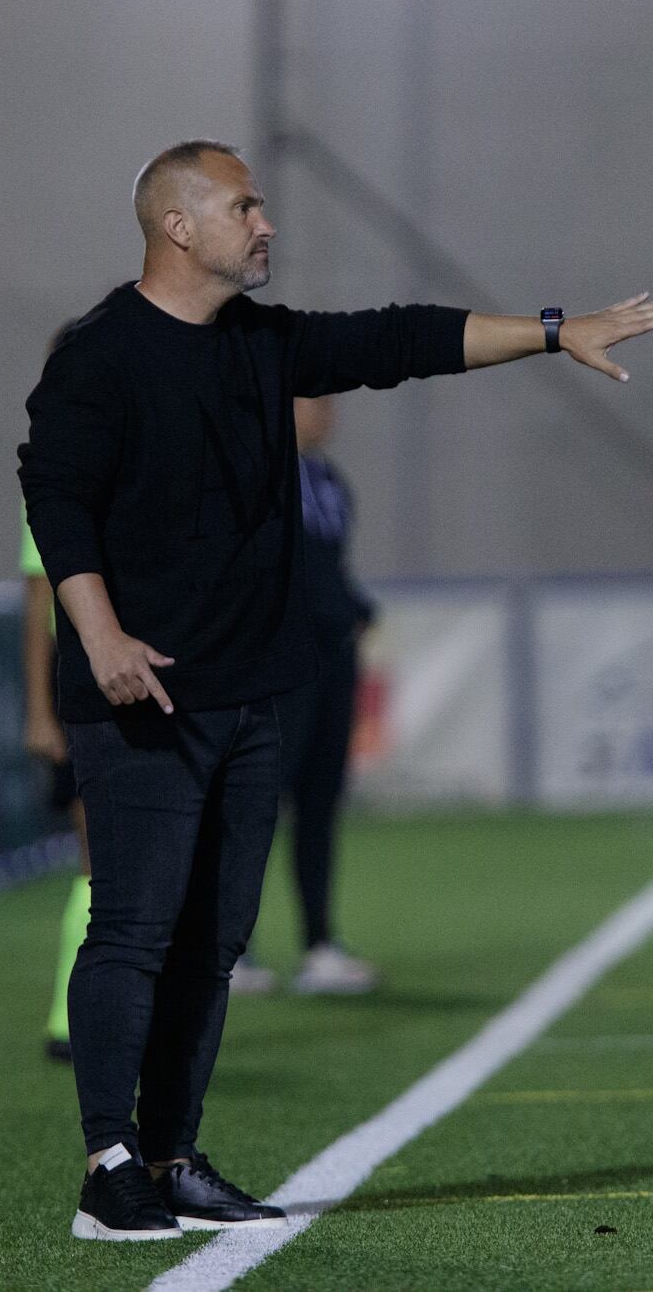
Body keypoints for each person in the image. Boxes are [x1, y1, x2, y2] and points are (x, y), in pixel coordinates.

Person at [18, 138, 653, 1241]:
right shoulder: (100, 354)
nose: (265, 224)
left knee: (216, 941)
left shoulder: (261, 345)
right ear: (177, 225)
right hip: (139, 696)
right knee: (132, 929)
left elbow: (402, 340)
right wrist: (101, 636)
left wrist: (555, 331)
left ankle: (171, 1155)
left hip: (249, 695)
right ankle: (108, 1166)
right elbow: (54, 498)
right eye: (244, 206)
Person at [275, 395, 380, 995]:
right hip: (283, 664)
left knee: (320, 803)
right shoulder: (258, 473)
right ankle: (230, 951)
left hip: (332, 660)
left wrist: (356, 607)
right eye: (314, 398)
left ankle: (319, 943)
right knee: (254, 810)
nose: (328, 410)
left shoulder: (328, 479)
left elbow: (330, 566)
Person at [22, 512, 93, 1064]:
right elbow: (38, 599)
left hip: (147, 670)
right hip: (81, 677)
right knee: (96, 857)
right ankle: (68, 1016)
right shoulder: (57, 471)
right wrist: (40, 710)